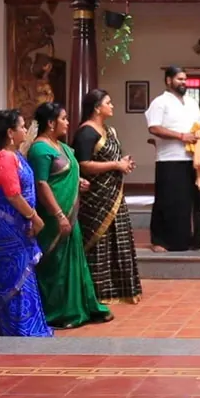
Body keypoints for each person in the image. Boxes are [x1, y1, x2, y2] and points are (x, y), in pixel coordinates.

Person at [27, 102, 113, 328]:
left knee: (73, 261)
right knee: (56, 264)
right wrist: (58, 214)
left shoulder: (62, 147)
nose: (67, 122)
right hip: (54, 216)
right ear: (50, 123)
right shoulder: (39, 149)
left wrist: (78, 181)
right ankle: (58, 312)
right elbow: (42, 183)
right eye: (63, 118)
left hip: (70, 214)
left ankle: (80, 307)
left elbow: (67, 174)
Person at [0, 109, 53, 337]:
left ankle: (29, 328)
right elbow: (13, 195)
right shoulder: (4, 157)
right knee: (13, 276)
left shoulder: (16, 155)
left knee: (24, 275)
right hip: (7, 226)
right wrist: (34, 217)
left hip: (18, 224)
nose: (25, 130)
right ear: (10, 133)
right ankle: (16, 331)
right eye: (22, 126)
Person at [72, 89, 143, 304]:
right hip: (96, 197)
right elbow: (83, 164)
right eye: (108, 102)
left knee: (118, 240)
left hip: (114, 194)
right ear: (97, 108)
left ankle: (120, 290)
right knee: (98, 242)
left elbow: (113, 157)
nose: (112, 106)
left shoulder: (110, 130)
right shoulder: (86, 132)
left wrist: (123, 162)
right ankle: (97, 293)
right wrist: (115, 165)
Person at [145, 65, 200, 252]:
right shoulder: (160, 102)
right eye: (179, 79)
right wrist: (181, 136)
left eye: (185, 79)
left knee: (193, 200)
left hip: (193, 158)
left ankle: (196, 239)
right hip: (169, 160)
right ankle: (159, 241)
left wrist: (198, 134)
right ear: (168, 80)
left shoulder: (191, 102)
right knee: (167, 200)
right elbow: (154, 128)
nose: (184, 82)